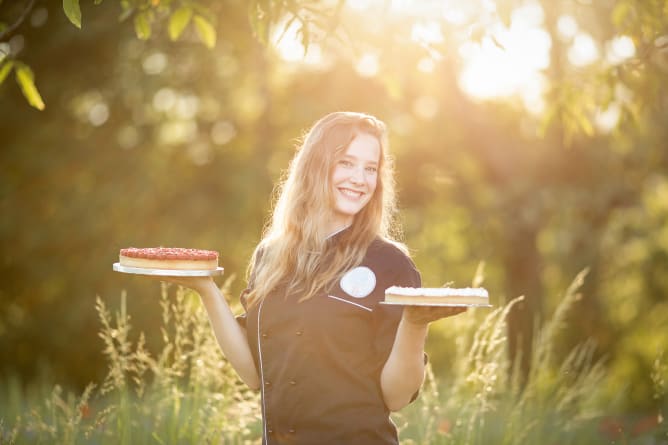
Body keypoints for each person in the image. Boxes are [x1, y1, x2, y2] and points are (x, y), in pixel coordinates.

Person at [163, 111, 466, 444]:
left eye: (370, 168)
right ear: (315, 166)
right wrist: (206, 290)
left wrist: (415, 324)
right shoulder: (271, 255)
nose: (360, 178)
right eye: (346, 163)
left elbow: (396, 398)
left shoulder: (390, 264)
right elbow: (254, 374)